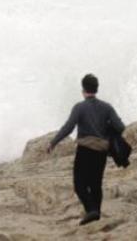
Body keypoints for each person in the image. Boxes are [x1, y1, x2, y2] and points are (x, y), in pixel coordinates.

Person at [47, 73, 125, 225]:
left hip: (85, 150)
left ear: (83, 89)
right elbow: (120, 127)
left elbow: (68, 127)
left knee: (79, 184)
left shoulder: (79, 107)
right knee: (96, 184)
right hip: (101, 151)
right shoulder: (107, 107)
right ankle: (96, 213)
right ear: (96, 89)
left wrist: (53, 142)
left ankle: (91, 210)